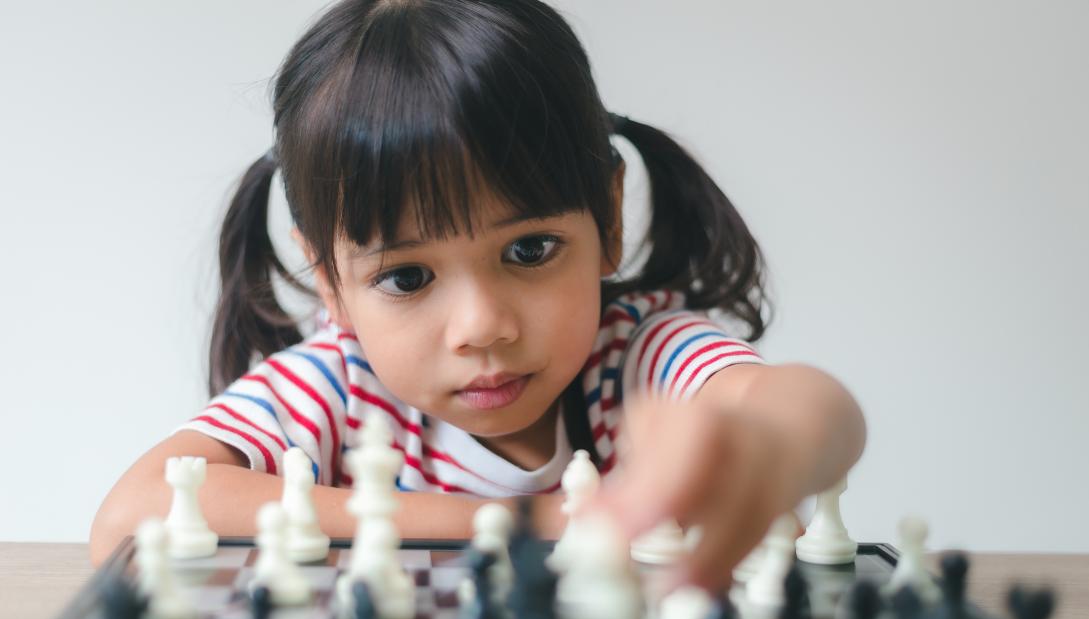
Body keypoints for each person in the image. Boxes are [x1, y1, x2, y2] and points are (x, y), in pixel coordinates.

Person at [90, 0, 866, 588]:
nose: (482, 326)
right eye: (406, 277)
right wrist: (524, 523)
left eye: (529, 250)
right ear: (328, 281)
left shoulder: (635, 357)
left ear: (608, 213)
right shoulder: (334, 390)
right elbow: (131, 515)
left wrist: (767, 448)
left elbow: (814, 410)